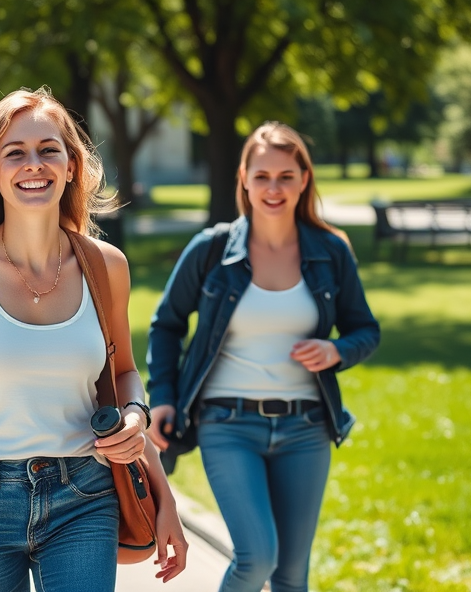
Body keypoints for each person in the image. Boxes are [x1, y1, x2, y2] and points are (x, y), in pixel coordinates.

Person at [0, 88, 188, 592]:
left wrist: (138, 424)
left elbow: (123, 374)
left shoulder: (108, 268)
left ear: (71, 168)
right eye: (14, 153)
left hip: (84, 495)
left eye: (49, 149)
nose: (34, 164)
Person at [147, 122, 380, 592]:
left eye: (286, 176)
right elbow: (166, 324)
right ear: (244, 180)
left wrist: (337, 349)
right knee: (257, 559)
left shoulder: (330, 252)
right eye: (262, 176)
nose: (273, 188)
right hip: (227, 425)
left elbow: (365, 329)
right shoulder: (213, 250)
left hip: (306, 429)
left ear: (304, 180)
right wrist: (164, 396)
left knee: (293, 576)